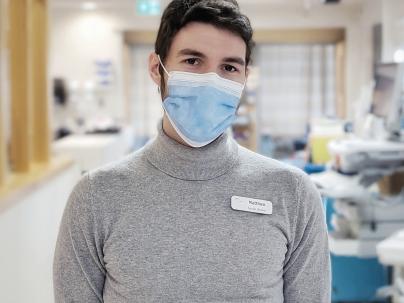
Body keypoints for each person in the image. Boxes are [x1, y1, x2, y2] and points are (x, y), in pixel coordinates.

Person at [53, 0, 331, 302]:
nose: (212, 81)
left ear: (244, 78)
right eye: (193, 61)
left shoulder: (292, 193)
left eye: (229, 67)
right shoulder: (96, 197)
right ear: (156, 69)